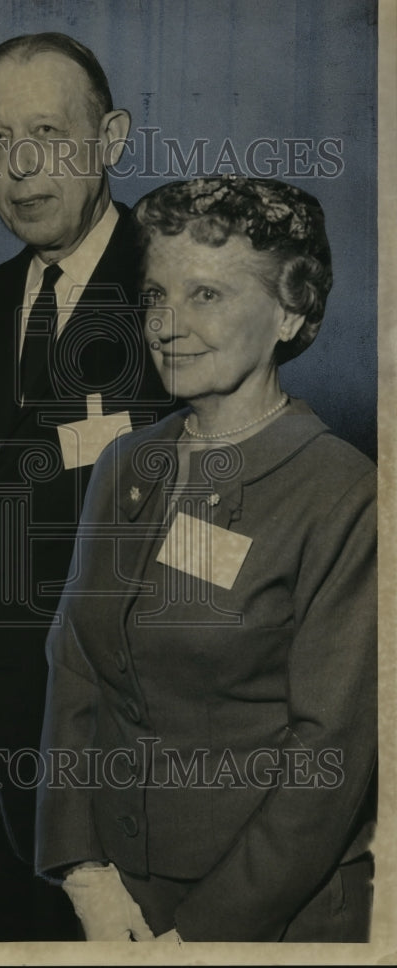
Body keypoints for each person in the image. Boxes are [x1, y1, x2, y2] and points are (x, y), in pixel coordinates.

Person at [35, 175, 377, 942]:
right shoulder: (128, 463)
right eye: (156, 295)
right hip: (120, 901)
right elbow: (77, 666)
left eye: (207, 296)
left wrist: (198, 938)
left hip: (270, 915)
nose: (167, 325)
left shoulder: (345, 496)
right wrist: (83, 872)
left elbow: (329, 757)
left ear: (291, 310)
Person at [0, 33, 175, 940]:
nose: (20, 169)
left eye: (50, 134)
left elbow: (220, 541)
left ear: (113, 138)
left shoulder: (182, 289)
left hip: (127, 763)